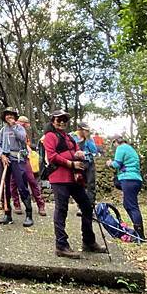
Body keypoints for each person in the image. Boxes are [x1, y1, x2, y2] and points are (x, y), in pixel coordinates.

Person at [44, 109, 106, 258]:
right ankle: (61, 246)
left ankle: (89, 241)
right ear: (53, 121)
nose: (62, 122)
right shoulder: (50, 136)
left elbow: (78, 150)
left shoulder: (69, 138)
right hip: (59, 178)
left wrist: (79, 154)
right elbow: (52, 156)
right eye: (59, 119)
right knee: (61, 210)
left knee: (86, 206)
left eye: (64, 119)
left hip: (74, 178)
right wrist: (71, 164)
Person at [0, 107, 34, 227]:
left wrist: (14, 127)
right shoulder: (2, 130)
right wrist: (1, 155)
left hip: (17, 159)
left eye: (12, 115)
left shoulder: (20, 128)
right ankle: (7, 214)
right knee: (4, 186)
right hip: (4, 159)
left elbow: (22, 139)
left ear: (15, 117)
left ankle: (28, 214)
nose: (9, 116)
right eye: (7, 115)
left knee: (21, 185)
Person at [106, 134, 145, 240]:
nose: (113, 146)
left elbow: (117, 164)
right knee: (127, 205)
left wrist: (109, 163)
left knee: (132, 206)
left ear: (115, 142)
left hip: (129, 179)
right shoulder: (130, 148)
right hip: (135, 180)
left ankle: (140, 235)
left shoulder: (121, 148)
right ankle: (138, 233)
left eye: (113, 144)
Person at [10, 115, 47, 216]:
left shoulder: (24, 132)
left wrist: (28, 148)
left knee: (32, 180)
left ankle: (41, 204)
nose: (24, 125)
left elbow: (25, 142)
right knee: (13, 183)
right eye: (23, 123)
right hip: (13, 158)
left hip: (24, 158)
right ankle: (16, 204)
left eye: (25, 123)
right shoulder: (11, 129)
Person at [71, 122, 99, 209]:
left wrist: (87, 139)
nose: (86, 132)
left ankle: (90, 205)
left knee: (91, 185)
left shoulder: (89, 139)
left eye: (87, 130)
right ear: (79, 129)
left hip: (89, 163)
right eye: (84, 130)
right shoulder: (72, 137)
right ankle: (80, 206)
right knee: (79, 185)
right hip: (77, 164)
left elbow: (94, 151)